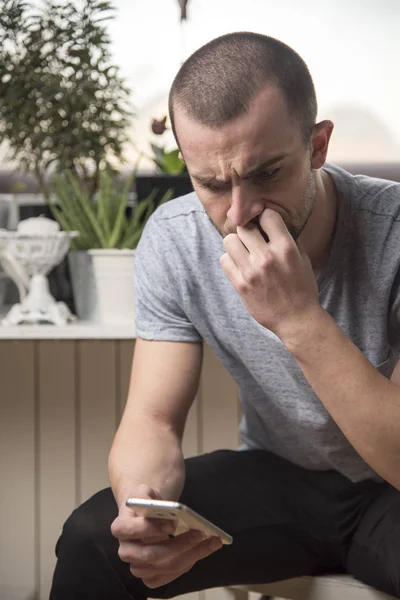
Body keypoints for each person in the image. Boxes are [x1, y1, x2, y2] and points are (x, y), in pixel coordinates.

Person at [50, 31, 400, 599]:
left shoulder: (393, 234)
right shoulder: (176, 238)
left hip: (390, 490)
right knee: (93, 541)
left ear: (317, 146)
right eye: (212, 184)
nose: (238, 212)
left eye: (265, 173)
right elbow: (152, 421)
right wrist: (148, 513)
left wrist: (298, 319)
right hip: (278, 476)